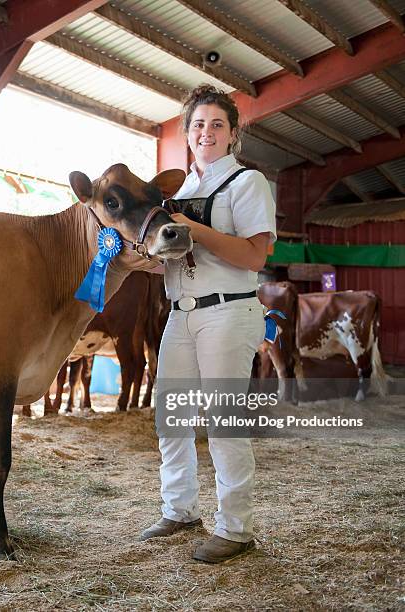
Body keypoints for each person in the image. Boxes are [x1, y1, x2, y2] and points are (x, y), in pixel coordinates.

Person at [140, 84, 277, 564]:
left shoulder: (247, 183)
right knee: (171, 419)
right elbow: (171, 263)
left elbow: (255, 254)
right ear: (187, 133)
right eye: (199, 124)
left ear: (233, 133)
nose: (207, 132)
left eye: (217, 124)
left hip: (229, 310)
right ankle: (178, 509)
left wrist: (193, 228)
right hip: (181, 312)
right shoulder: (176, 193)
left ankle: (236, 529)